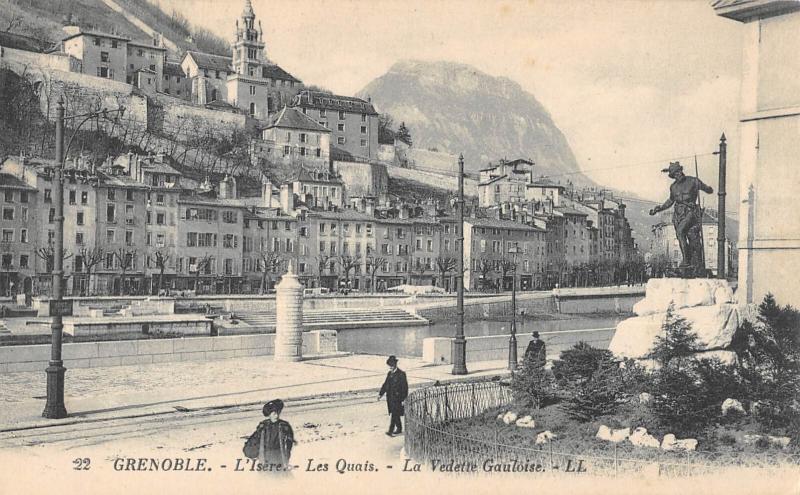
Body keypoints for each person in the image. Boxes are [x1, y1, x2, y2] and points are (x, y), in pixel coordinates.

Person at [649, 161, 713, 278]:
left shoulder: (693, 181)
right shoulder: (673, 187)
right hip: (678, 214)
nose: (676, 175)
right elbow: (670, 201)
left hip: (690, 212)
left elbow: (706, 189)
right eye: (674, 174)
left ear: (681, 171)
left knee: (680, 231)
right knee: (688, 237)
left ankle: (687, 260)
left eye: (677, 172)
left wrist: (708, 189)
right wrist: (658, 209)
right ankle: (692, 261)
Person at [244, 399, 296, 474]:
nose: (277, 416)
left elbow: (289, 444)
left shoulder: (284, 426)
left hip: (279, 458)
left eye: (278, 413)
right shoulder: (263, 427)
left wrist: (286, 456)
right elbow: (254, 439)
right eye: (274, 413)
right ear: (269, 414)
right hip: (265, 459)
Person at [378, 355, 408, 437]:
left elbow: (405, 388)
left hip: (398, 398)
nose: (390, 368)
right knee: (395, 413)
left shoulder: (401, 374)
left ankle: (390, 431)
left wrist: (404, 399)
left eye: (391, 366)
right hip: (390, 398)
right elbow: (385, 385)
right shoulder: (389, 374)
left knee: (394, 414)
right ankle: (399, 428)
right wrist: (380, 394)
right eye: (389, 366)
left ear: (395, 365)